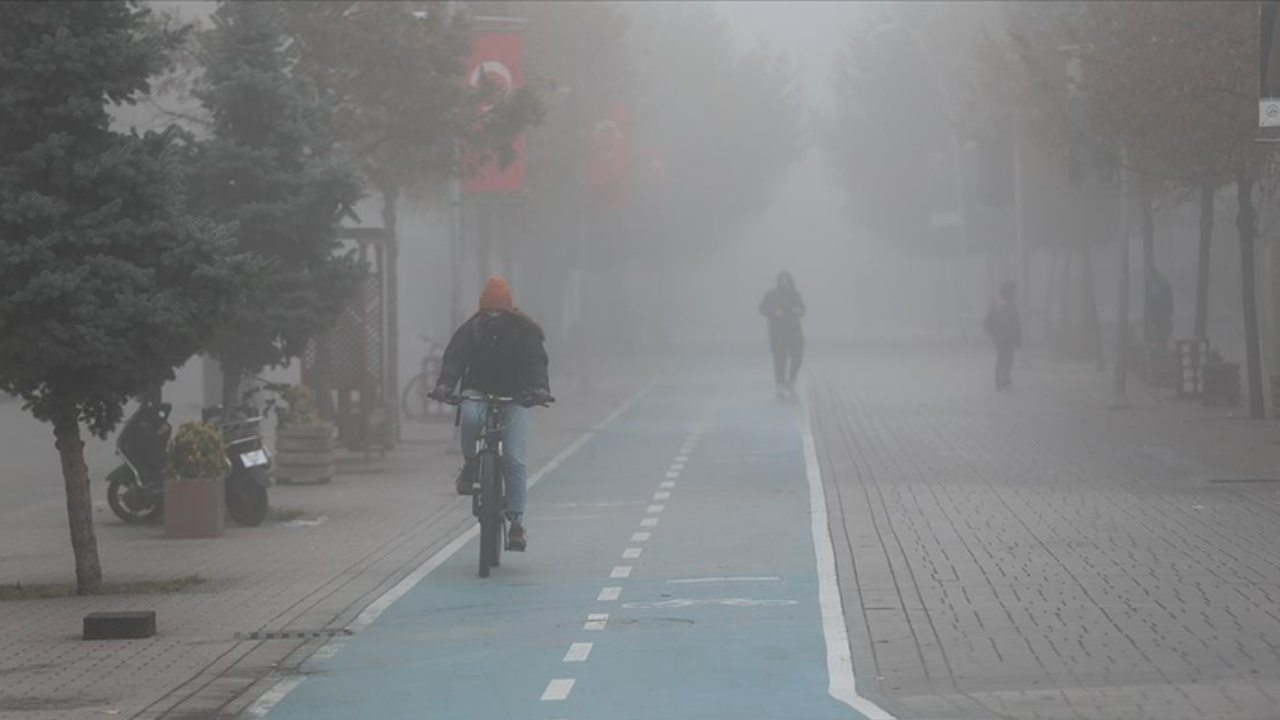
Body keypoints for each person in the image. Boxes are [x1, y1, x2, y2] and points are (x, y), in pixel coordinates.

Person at [429, 277, 551, 552]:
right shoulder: (471, 330)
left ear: (508, 310)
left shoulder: (525, 332)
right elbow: (454, 358)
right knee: (470, 417)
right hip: (478, 391)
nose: (493, 315)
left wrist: (540, 389)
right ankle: (471, 463)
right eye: (488, 310)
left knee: (515, 459)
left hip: (515, 396)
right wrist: (445, 384)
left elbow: (535, 362)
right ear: (482, 310)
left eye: (498, 311)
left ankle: (516, 523)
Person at [760, 271, 806, 398]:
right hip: (777, 332)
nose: (784, 282)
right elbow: (762, 309)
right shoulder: (772, 295)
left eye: (787, 280)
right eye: (782, 280)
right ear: (778, 281)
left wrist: (799, 310)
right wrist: (774, 313)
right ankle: (780, 383)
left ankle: (792, 379)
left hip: (794, 331)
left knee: (798, 356)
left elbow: (803, 309)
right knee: (780, 359)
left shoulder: (795, 294)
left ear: (790, 281)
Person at [983, 280, 1022, 391]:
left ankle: (1002, 378)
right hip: (1006, 335)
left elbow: (990, 316)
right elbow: (1015, 321)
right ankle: (1002, 379)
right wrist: (1017, 337)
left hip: (997, 335)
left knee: (1002, 357)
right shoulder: (1010, 304)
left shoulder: (996, 302)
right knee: (1007, 357)